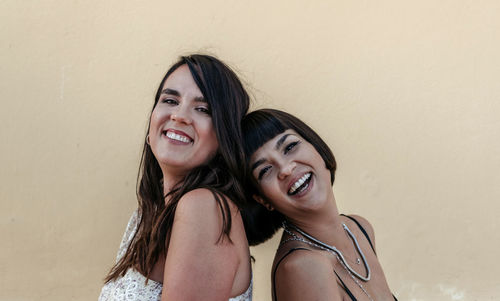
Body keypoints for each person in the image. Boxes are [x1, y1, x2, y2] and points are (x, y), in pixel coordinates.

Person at [99, 54, 252, 301]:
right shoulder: (148, 213)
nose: (179, 116)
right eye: (170, 100)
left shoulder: (203, 207)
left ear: (225, 138)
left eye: (203, 109)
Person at [241, 109, 396, 301]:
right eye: (265, 170)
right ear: (263, 200)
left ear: (316, 147)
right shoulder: (303, 266)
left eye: (290, 147)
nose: (286, 169)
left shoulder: (359, 229)